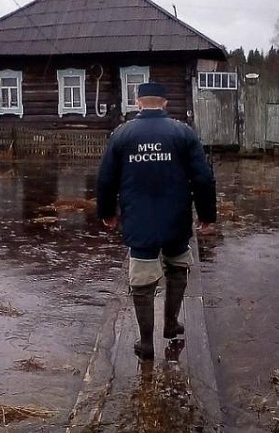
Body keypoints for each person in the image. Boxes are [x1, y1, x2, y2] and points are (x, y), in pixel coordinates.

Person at [96, 82, 217, 360]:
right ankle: (171, 324)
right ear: (164, 103)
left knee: (142, 279)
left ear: (138, 103)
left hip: (138, 220)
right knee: (177, 266)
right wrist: (207, 216)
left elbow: (105, 179)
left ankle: (146, 342)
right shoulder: (183, 133)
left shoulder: (122, 134)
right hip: (176, 218)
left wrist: (107, 212)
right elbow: (203, 178)